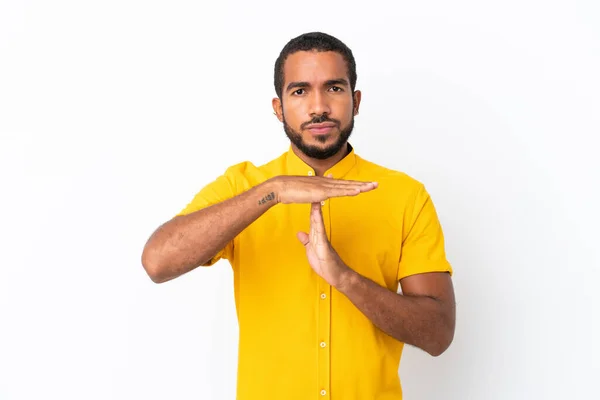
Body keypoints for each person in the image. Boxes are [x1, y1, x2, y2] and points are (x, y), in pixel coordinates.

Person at [141, 31, 456, 400]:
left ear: (355, 100)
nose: (319, 106)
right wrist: (272, 192)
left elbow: (437, 334)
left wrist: (345, 279)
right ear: (278, 107)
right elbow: (157, 262)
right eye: (300, 91)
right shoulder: (244, 186)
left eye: (334, 89)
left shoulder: (405, 195)